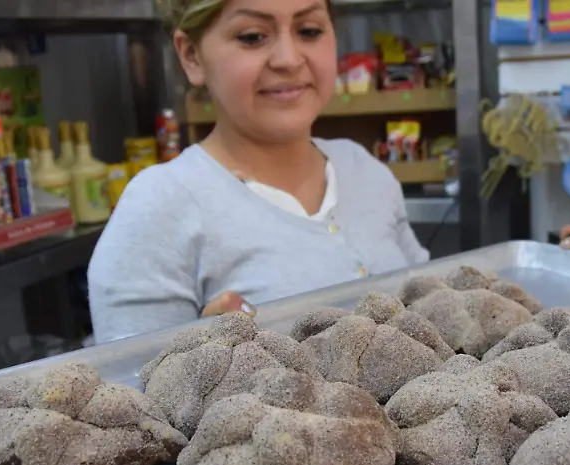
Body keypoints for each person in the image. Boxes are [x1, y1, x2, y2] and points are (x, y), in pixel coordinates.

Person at [88, 0, 429, 343]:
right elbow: (130, 387)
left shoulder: (364, 169)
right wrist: (194, 355)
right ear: (191, 55)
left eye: (309, 31)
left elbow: (428, 306)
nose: (289, 59)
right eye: (252, 37)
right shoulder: (158, 208)